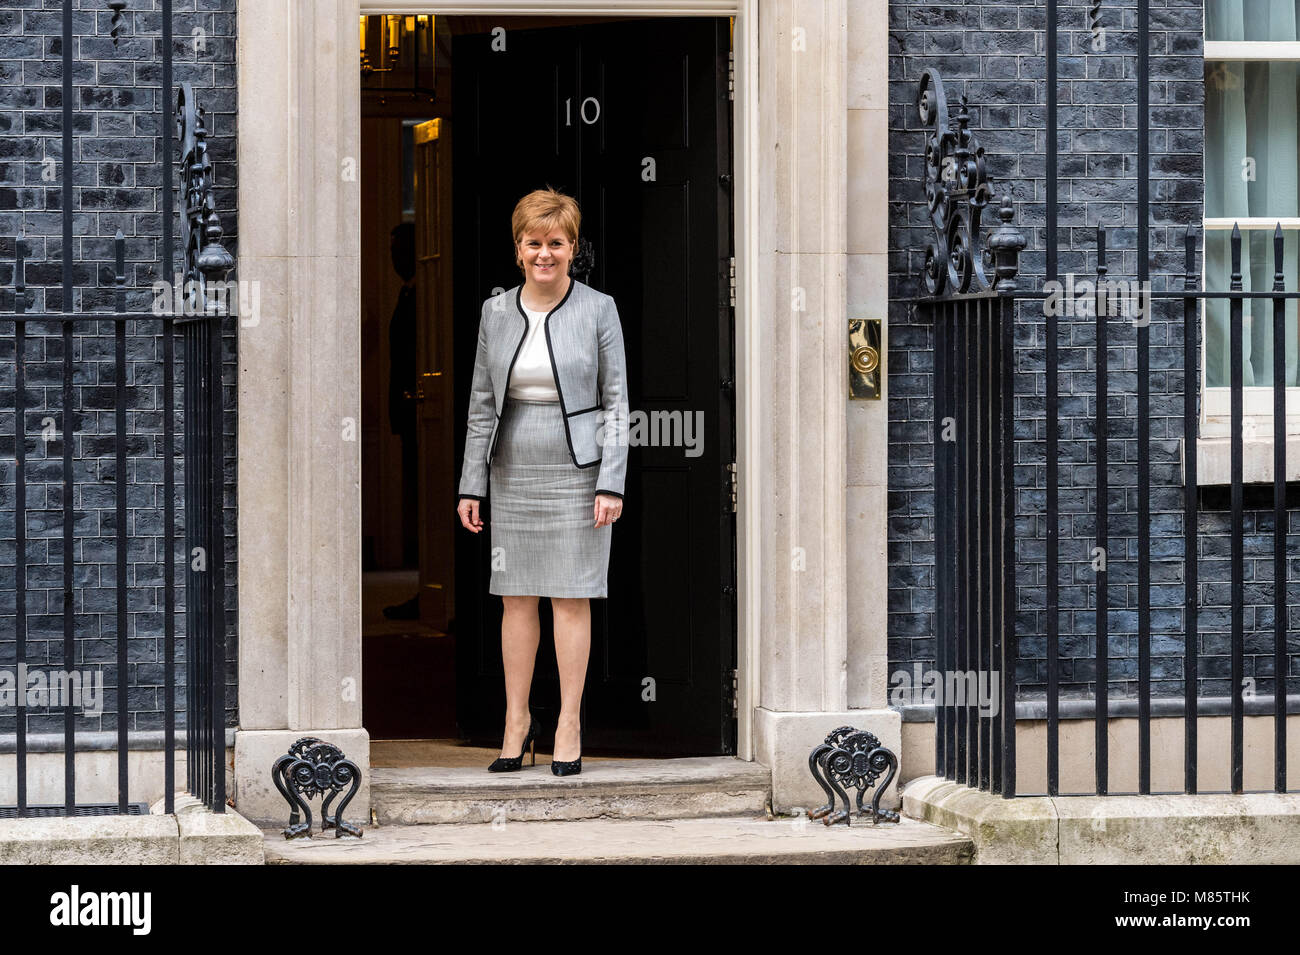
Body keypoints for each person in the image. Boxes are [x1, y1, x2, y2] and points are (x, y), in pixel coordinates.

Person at [456, 187, 629, 777]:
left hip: (579, 472)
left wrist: (612, 481)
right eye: (534, 243)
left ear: (572, 247)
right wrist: (470, 484)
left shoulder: (599, 309)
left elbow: (614, 403)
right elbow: (481, 402)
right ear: (518, 248)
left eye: (556, 243)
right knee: (516, 598)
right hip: (513, 469)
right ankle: (515, 722)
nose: (544, 254)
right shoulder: (495, 312)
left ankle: (569, 723)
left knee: (572, 597)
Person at [384, 222, 421, 620]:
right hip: (408, 413)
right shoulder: (406, 290)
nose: (395, 258)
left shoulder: (424, 293)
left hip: (423, 411)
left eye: (400, 249)